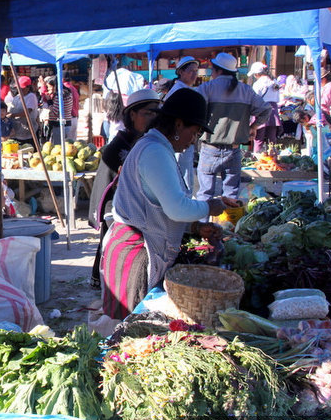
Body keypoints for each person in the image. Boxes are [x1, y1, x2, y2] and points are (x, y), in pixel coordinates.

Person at [101, 88, 235, 319]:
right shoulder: (154, 151)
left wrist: (193, 228)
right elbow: (177, 208)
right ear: (179, 124)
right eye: (194, 133)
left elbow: (160, 207)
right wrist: (210, 207)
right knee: (132, 337)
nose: (194, 141)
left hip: (137, 247)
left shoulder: (157, 148)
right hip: (136, 253)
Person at [88, 89, 160, 289]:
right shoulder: (120, 145)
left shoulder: (142, 140)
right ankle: (104, 284)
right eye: (148, 113)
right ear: (132, 114)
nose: (153, 118)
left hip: (126, 203)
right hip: (113, 203)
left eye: (156, 113)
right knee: (109, 244)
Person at [196, 53, 271, 203]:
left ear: (218, 70)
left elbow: (192, 110)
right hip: (234, 148)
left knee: (205, 195)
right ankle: (228, 226)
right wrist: (253, 127)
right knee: (231, 195)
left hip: (210, 147)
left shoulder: (207, 88)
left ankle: (203, 225)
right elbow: (266, 110)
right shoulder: (246, 90)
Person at [166, 56, 200, 190]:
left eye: (196, 71)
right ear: (181, 72)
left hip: (185, 138)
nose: (194, 75)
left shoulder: (185, 89)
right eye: (191, 71)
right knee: (182, 173)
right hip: (179, 138)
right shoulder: (179, 91)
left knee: (184, 172)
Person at [248, 62, 281, 152]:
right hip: (273, 112)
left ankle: (256, 158)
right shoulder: (275, 82)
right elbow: (278, 99)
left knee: (258, 139)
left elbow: (254, 99)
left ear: (257, 74)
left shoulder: (258, 84)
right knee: (272, 140)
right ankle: (273, 159)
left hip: (261, 111)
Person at [41, 76, 73, 144]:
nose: (48, 89)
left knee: (58, 147)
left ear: (55, 86)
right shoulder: (68, 93)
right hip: (67, 123)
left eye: (49, 87)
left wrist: (49, 101)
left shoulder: (60, 95)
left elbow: (56, 112)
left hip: (59, 126)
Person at [8, 76, 39, 145]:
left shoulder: (31, 97)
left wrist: (13, 115)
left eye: (22, 88)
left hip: (27, 131)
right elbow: (12, 109)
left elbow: (27, 112)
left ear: (28, 88)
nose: (19, 90)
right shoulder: (17, 97)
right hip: (17, 130)